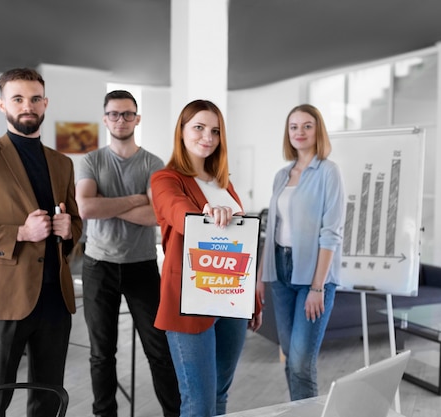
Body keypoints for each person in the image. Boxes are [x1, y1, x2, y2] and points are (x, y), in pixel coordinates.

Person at [0, 67, 83, 417]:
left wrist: (70, 230)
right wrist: (19, 233)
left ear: (45, 103)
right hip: (3, 299)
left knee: (49, 399)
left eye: (35, 98)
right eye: (18, 98)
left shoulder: (62, 163)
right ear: (2, 104)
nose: (28, 106)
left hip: (55, 300)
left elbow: (76, 226)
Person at [150, 99, 262, 417]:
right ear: (182, 131)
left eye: (215, 131)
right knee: (199, 405)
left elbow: (241, 247)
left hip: (231, 304)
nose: (207, 137)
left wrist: (251, 298)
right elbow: (176, 210)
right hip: (191, 302)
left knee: (220, 397)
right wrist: (205, 213)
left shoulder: (225, 185)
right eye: (198, 127)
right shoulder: (166, 179)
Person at [75, 90, 180, 417]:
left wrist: (108, 205)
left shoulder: (153, 163)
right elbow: (86, 208)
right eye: (114, 114)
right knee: (101, 354)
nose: (121, 119)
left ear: (137, 118)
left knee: (160, 351)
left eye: (127, 114)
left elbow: (156, 216)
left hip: (142, 266)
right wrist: (136, 199)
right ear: (105, 119)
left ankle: (174, 413)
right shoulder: (91, 160)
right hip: (98, 266)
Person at [256, 103, 345, 401]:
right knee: (288, 356)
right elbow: (271, 230)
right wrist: (260, 278)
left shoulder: (328, 172)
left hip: (313, 276)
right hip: (279, 272)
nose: (300, 132)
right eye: (294, 127)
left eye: (307, 125)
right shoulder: (282, 175)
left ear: (318, 129)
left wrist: (317, 287)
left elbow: (331, 233)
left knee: (300, 363)